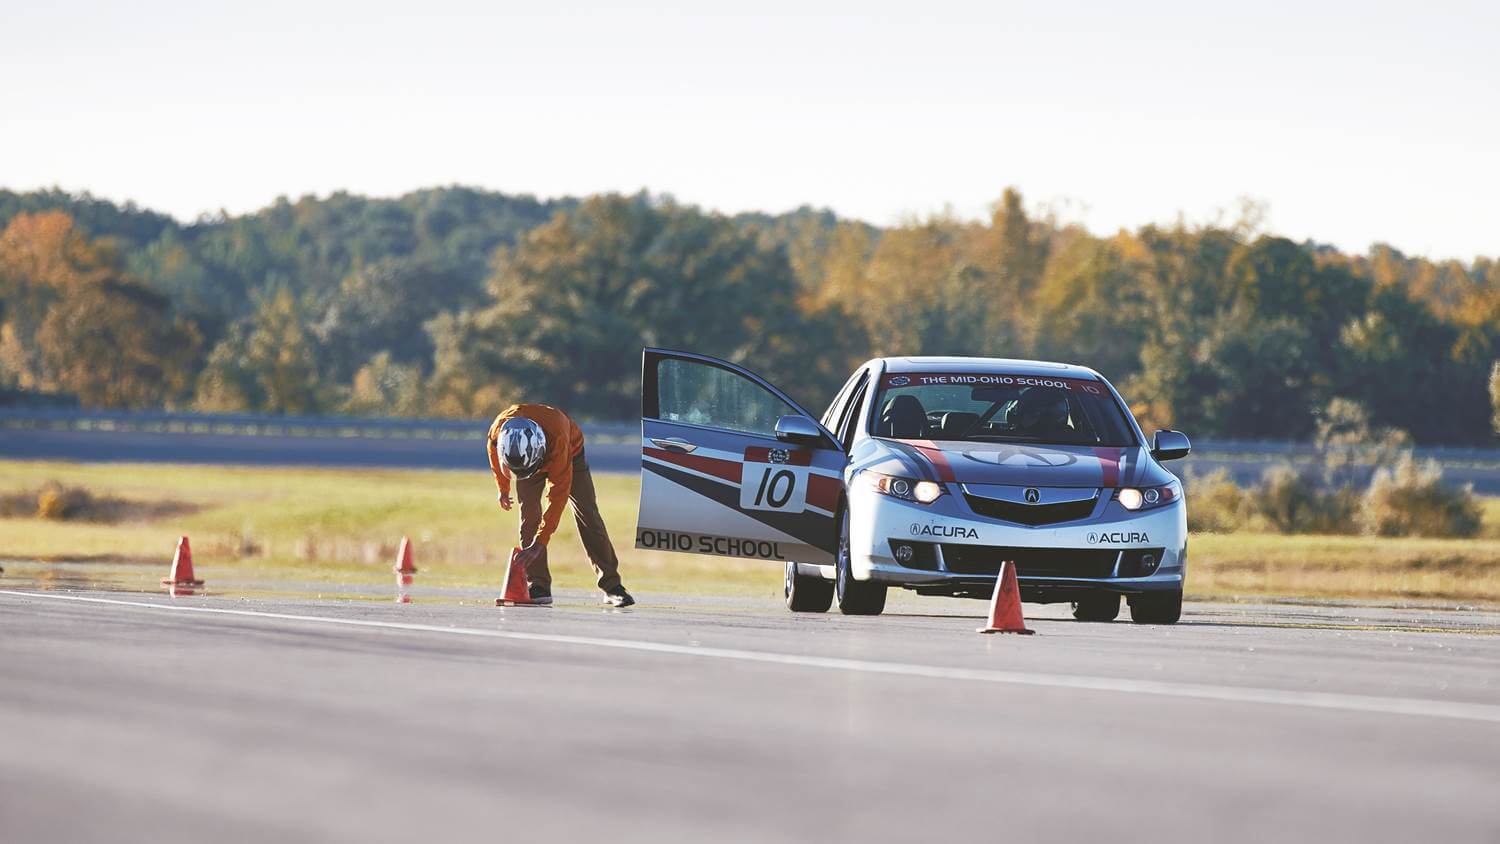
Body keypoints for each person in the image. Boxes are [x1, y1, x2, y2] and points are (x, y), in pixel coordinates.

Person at [486, 403, 634, 607]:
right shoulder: (498, 432)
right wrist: (503, 488)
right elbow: (494, 457)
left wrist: (541, 542)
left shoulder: (559, 441)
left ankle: (612, 587)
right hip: (527, 459)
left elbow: (557, 498)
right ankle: (538, 586)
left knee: (587, 515)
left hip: (571, 455)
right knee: (528, 517)